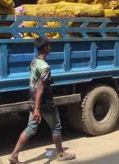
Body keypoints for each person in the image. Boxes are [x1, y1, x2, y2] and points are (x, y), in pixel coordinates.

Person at [9, 36, 75, 164]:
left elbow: (36, 82)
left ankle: (14, 155)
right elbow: (40, 87)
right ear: (45, 48)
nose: (50, 47)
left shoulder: (34, 62)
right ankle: (60, 154)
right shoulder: (45, 67)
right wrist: (37, 109)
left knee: (31, 127)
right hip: (44, 102)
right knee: (56, 126)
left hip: (33, 99)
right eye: (49, 46)